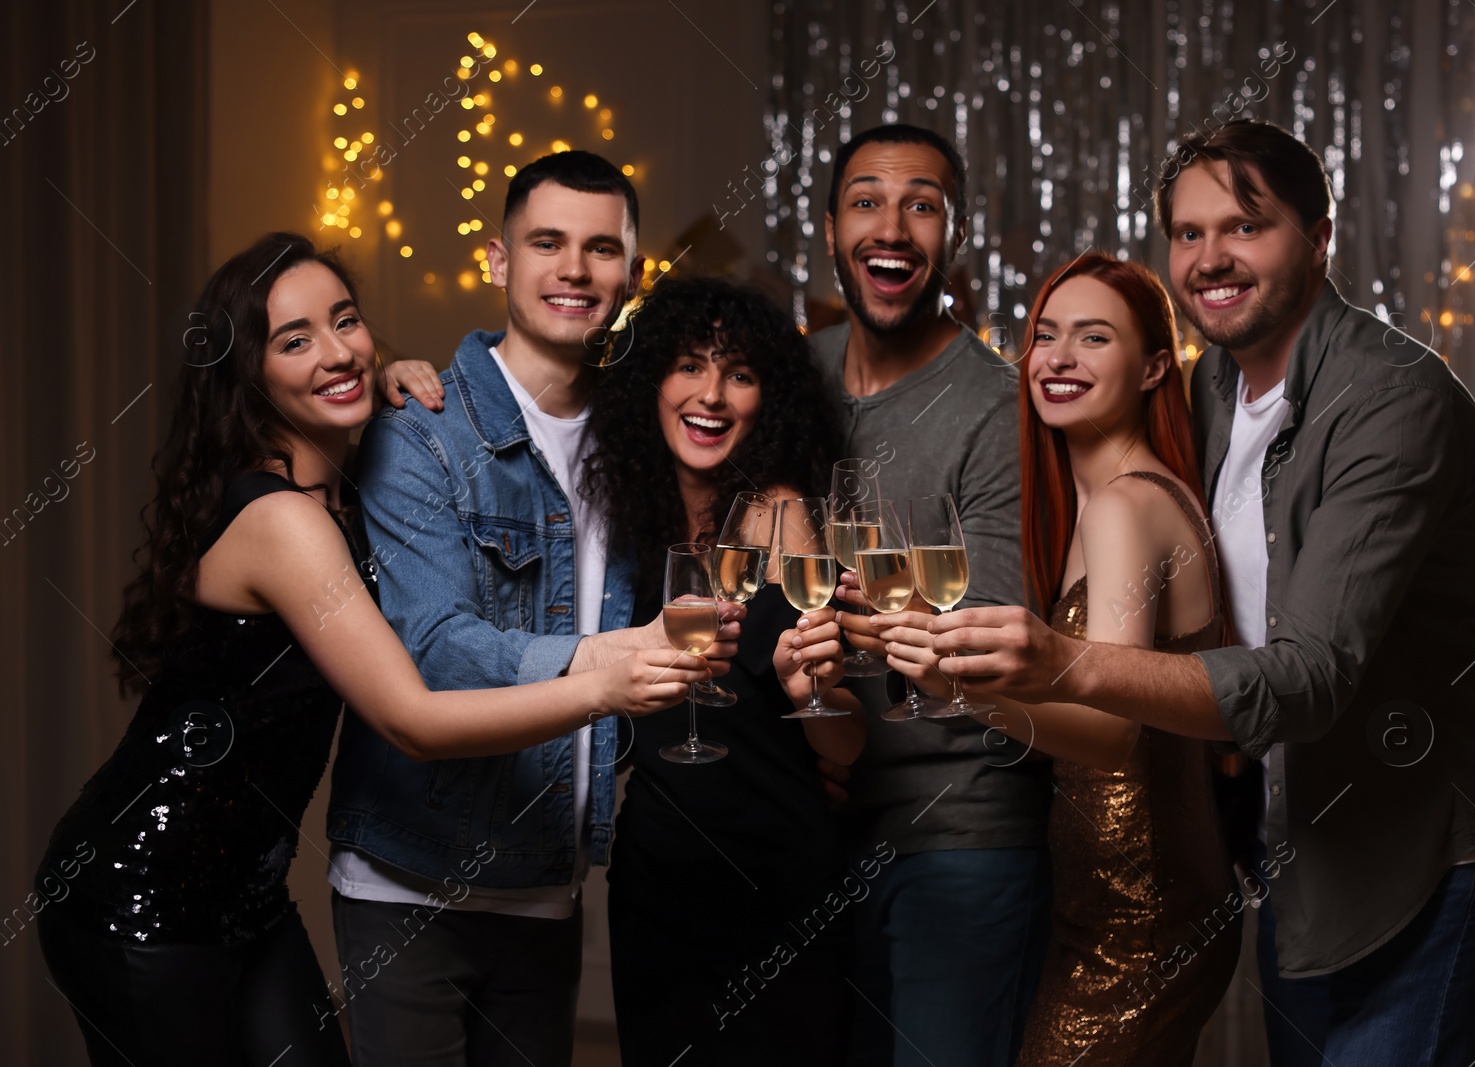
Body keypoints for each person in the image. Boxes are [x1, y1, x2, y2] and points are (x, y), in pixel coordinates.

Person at [925, 118, 1475, 1065]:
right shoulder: (1205, 392)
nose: (1211, 257)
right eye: (1187, 232)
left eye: (1245, 226)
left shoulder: (1394, 401)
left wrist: (1062, 659)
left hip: (1423, 858)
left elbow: (1308, 679)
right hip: (1294, 857)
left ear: (1320, 236)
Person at [31, 232, 715, 1066]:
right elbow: (412, 719)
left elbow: (367, 389)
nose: (335, 351)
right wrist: (608, 681)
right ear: (249, 373)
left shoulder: (339, 481)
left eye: (345, 321)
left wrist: (387, 380)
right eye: (295, 339)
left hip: (250, 897)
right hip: (137, 890)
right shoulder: (284, 520)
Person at [323, 151, 741, 1065]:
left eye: (601, 249)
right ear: (497, 259)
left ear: (630, 273)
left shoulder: (641, 435)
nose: (575, 270)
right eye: (547, 242)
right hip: (411, 880)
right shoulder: (421, 429)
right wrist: (611, 665)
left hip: (551, 880)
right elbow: (434, 651)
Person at [878, 251, 1241, 1064]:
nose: (1058, 358)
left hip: (1140, 914)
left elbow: (1113, 736)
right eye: (1044, 335)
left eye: (1093, 337)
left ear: (1154, 368)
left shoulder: (1124, 503)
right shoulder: (1112, 495)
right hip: (1117, 900)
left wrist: (955, 687)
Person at [811, 122, 1052, 1067]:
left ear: (952, 234)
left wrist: (852, 621)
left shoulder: (998, 404)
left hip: (963, 832)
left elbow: (989, 634)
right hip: (823, 829)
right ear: (832, 228)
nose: (894, 226)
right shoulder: (792, 377)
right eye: (868, 200)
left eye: (923, 205)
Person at [584, 274, 863, 1065]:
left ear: (766, 398)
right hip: (658, 884)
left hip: (783, 886)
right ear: (652, 382)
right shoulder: (622, 528)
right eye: (690, 365)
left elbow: (843, 747)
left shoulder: (780, 513)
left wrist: (820, 690)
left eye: (739, 373)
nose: (711, 393)